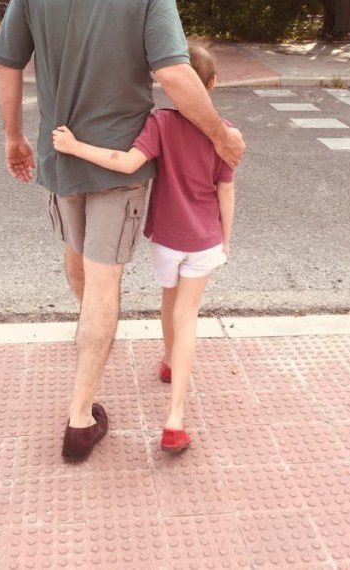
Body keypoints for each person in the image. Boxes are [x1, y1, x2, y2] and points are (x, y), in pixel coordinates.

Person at [0, 0, 244, 462]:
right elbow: (175, 74)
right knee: (104, 278)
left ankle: (90, 340)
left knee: (77, 257)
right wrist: (221, 136)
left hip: (59, 156)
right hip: (119, 166)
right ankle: (80, 417)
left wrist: (14, 137)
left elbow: (7, 63)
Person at [52, 43, 234, 453]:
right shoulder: (224, 132)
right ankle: (174, 419)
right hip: (205, 239)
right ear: (212, 84)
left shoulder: (161, 123)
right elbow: (226, 190)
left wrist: (75, 147)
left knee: (169, 305)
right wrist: (226, 239)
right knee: (188, 315)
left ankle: (168, 360)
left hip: (167, 239)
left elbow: (126, 163)